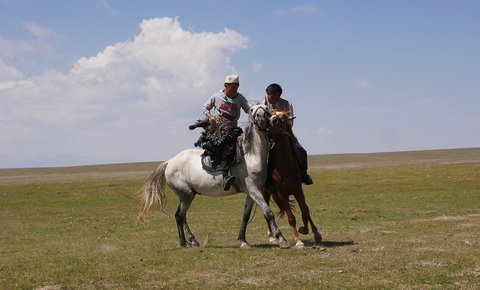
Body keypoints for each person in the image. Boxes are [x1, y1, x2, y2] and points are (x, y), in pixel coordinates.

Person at [201, 74, 250, 190]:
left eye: (237, 86)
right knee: (226, 147)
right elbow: (205, 107)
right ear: (226, 85)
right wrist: (210, 116)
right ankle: (225, 175)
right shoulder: (216, 96)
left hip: (234, 128)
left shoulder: (240, 98)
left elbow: (248, 109)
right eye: (232, 86)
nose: (235, 89)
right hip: (219, 129)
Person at [264, 83, 313, 185]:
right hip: (269, 135)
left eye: (271, 94)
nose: (269, 96)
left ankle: (304, 175)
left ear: (278, 94)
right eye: (267, 93)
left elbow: (291, 123)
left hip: (285, 134)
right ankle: (263, 177)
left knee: (302, 151)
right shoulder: (264, 104)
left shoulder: (287, 104)